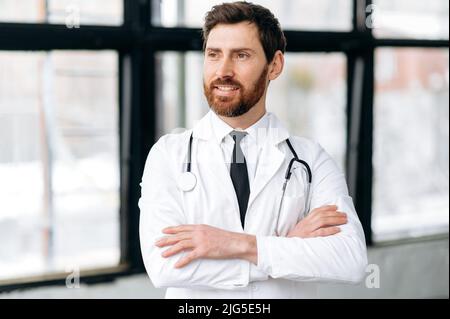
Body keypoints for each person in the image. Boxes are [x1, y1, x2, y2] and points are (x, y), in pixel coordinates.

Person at [139, 1, 367, 299]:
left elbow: (349, 260)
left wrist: (238, 245)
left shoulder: (311, 159)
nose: (223, 71)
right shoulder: (168, 155)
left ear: (275, 65)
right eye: (213, 55)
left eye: (241, 56)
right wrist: (283, 246)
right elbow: (165, 267)